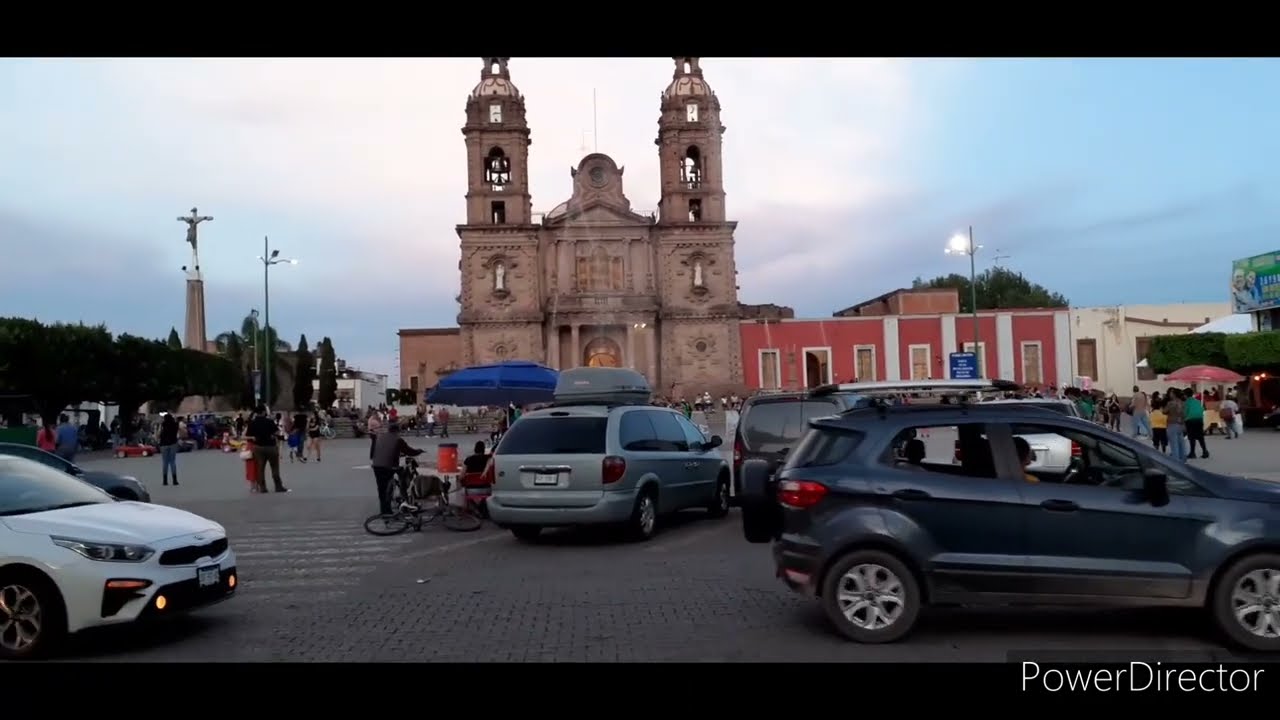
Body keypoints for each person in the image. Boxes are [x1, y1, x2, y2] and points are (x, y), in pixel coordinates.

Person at [370, 420, 423, 515]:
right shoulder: (398, 439)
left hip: (376, 466)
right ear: (397, 431)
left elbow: (379, 450)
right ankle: (404, 496)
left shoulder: (380, 436)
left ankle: (384, 511)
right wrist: (419, 451)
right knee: (401, 475)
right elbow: (409, 451)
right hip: (388, 467)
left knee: (381, 489)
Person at [247, 405, 289, 493]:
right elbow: (277, 432)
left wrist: (255, 437)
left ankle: (262, 487)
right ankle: (278, 486)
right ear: (263, 412)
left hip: (258, 448)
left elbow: (248, 435)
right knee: (274, 467)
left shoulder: (252, 423)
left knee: (260, 468)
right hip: (271, 447)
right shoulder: (269, 422)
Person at [1183, 388, 1209, 459]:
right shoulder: (1198, 401)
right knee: (1200, 437)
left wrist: (1183, 420)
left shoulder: (1186, 403)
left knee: (1192, 437)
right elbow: (1202, 409)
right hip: (1199, 420)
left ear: (1185, 395)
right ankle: (1205, 451)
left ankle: (1192, 453)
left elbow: (1185, 413)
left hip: (1190, 420)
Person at [1164, 389, 1188, 463]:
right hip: (1180, 424)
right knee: (1181, 443)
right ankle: (1183, 458)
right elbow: (1184, 415)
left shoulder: (1170, 403)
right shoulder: (1183, 403)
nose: (1170, 394)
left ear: (1174, 394)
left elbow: (1164, 411)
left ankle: (1176, 460)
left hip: (1172, 424)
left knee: (1174, 444)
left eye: (1171, 393)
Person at [158, 412, 181, 486]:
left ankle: (165, 480)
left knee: (165, 462)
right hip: (173, 443)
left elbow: (158, 434)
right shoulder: (175, 425)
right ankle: (175, 480)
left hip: (164, 444)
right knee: (172, 461)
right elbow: (178, 433)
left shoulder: (162, 425)